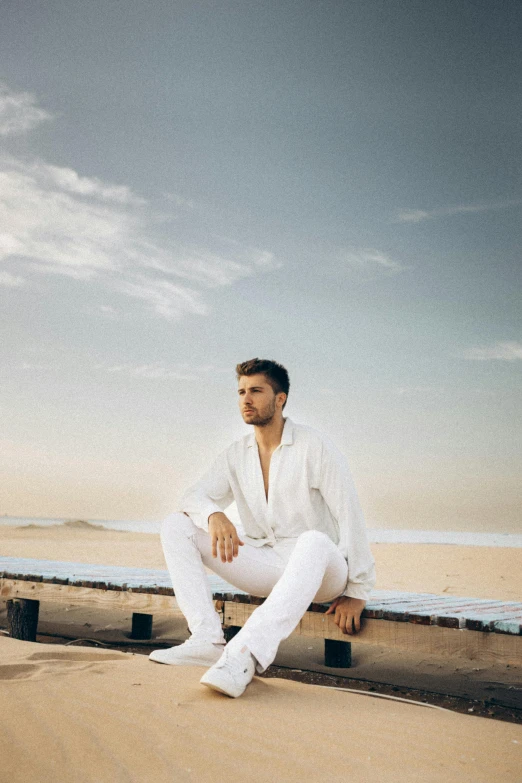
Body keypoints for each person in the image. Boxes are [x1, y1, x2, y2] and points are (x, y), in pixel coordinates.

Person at [150, 358, 376, 698]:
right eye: (241, 392)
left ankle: (244, 654)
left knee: (312, 541)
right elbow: (192, 495)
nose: (246, 399)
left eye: (256, 391)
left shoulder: (315, 447)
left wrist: (357, 591)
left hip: (322, 571)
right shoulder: (236, 454)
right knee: (175, 524)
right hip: (268, 563)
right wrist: (213, 514)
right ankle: (206, 640)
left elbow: (350, 516)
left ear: (280, 399)